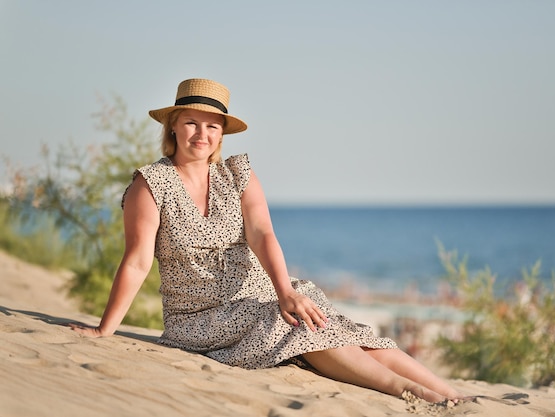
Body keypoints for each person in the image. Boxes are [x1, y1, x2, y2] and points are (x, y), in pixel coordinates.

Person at [70, 78, 466, 404]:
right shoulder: (150, 185)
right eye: (192, 122)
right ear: (173, 125)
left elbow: (263, 235)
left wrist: (284, 290)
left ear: (222, 132)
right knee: (293, 322)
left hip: (260, 295)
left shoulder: (237, 175)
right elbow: (137, 261)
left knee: (331, 323)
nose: (202, 134)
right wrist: (106, 330)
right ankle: (407, 391)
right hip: (200, 317)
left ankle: (451, 394)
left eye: (212, 126)